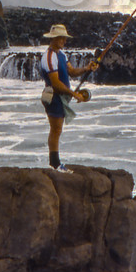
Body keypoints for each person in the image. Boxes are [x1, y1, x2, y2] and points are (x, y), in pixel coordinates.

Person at [39, 24, 98, 172]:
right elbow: (56, 83)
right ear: (54, 38)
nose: (64, 41)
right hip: (53, 96)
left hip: (61, 97)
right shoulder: (49, 57)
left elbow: (71, 71)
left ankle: (55, 163)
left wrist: (86, 68)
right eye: (62, 38)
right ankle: (55, 164)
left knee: (57, 129)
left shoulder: (62, 55)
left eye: (65, 38)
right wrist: (74, 94)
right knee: (56, 129)